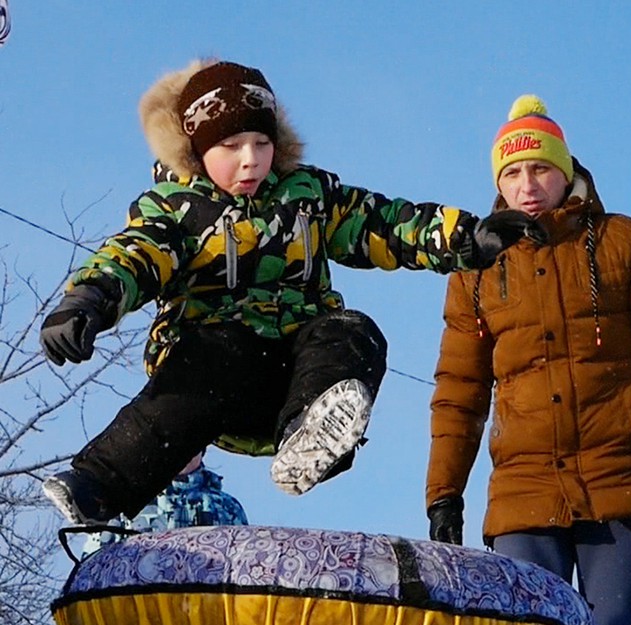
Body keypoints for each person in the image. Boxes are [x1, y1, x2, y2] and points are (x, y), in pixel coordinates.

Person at [39, 60, 543, 526]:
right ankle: (98, 486)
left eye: (261, 144)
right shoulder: (178, 210)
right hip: (218, 380)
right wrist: (87, 301)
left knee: (352, 331)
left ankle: (314, 431)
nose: (250, 161)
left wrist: (469, 239)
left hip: (295, 376)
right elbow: (135, 254)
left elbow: (385, 223)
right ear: (196, 149)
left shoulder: (309, 196)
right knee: (218, 352)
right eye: (231, 147)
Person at [425, 95, 631, 625]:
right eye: (512, 173)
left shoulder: (624, 242)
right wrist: (444, 496)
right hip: (522, 490)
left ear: (566, 171)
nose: (527, 184)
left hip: (618, 481)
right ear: (499, 184)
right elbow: (458, 392)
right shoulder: (475, 271)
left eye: (540, 168)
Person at [81, 450, 248, 557]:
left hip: (206, 608)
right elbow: (91, 563)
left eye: (194, 440)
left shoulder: (227, 508)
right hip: (141, 607)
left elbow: (242, 564)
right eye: (180, 441)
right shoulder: (127, 503)